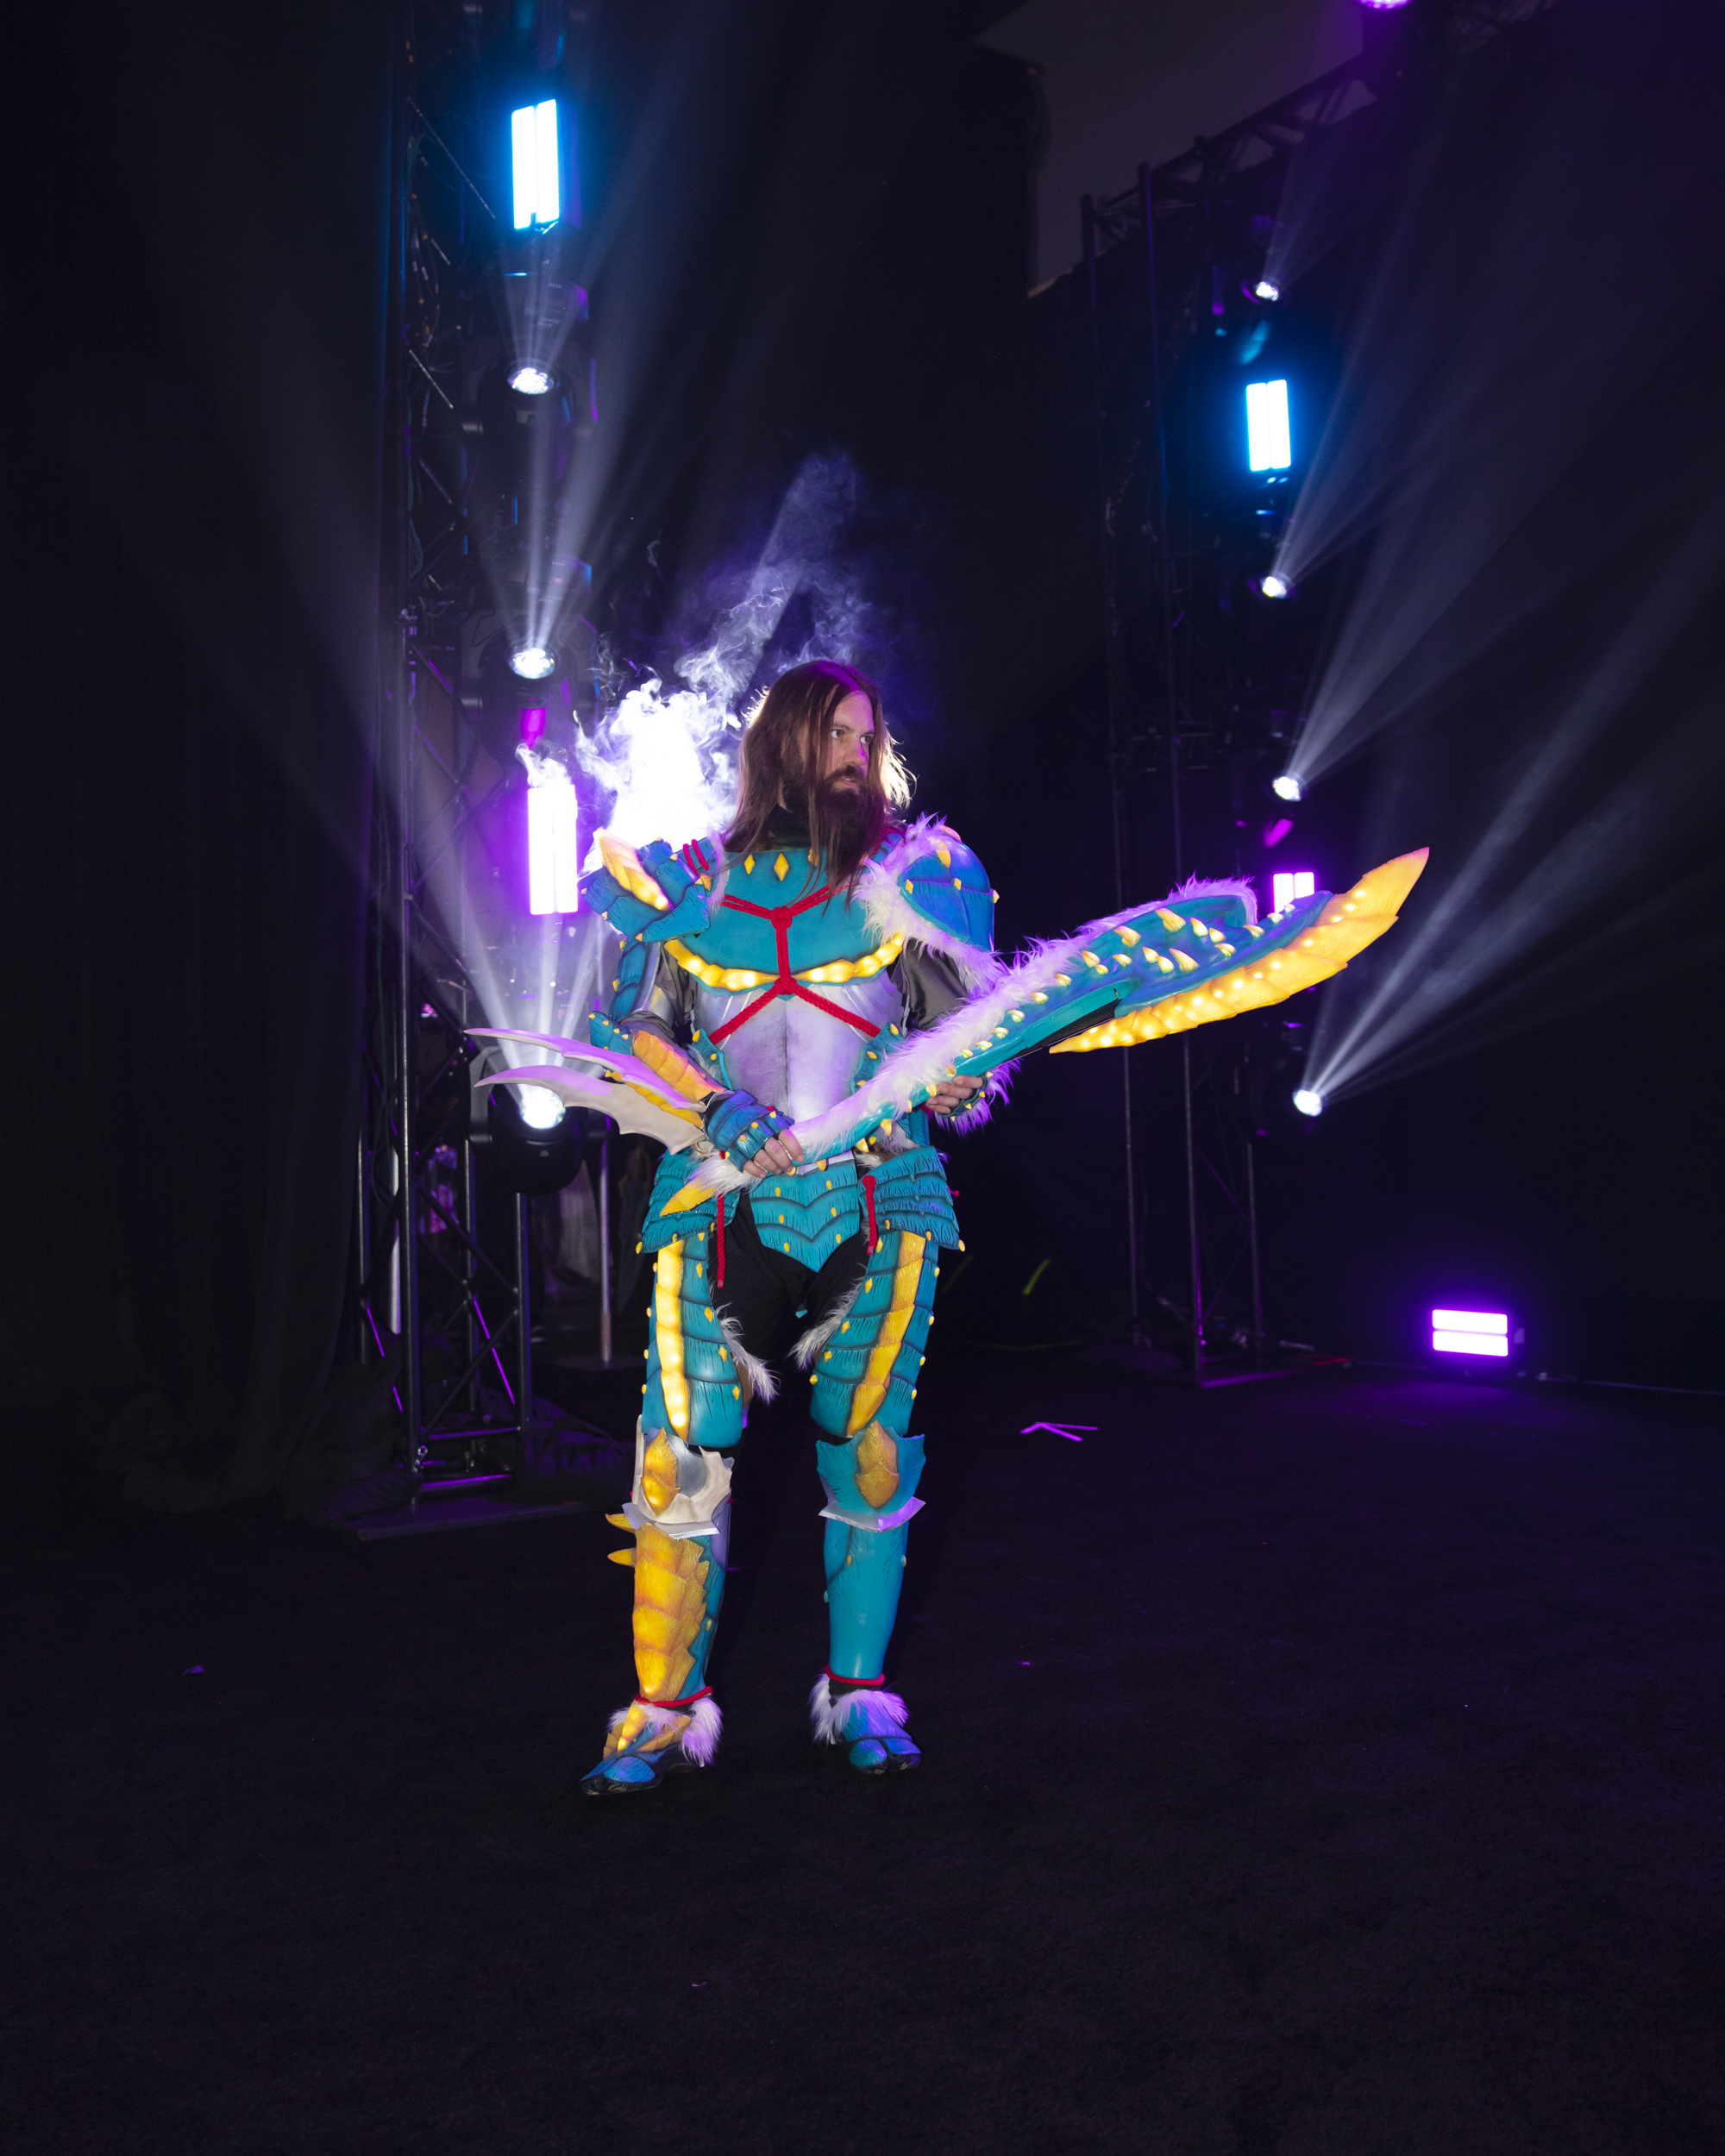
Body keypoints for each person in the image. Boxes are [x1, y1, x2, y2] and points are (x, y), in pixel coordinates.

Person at [576, 658, 1001, 1794]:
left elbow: (960, 1039)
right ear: (783, 745)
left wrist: (956, 1076)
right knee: (680, 1460)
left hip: (878, 1197)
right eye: (837, 734)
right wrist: (716, 1104)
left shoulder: (916, 881)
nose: (859, 754)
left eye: (869, 735)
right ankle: (661, 1709)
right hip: (721, 1202)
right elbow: (633, 1033)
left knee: (871, 1454)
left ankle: (860, 1696)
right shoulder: (690, 887)